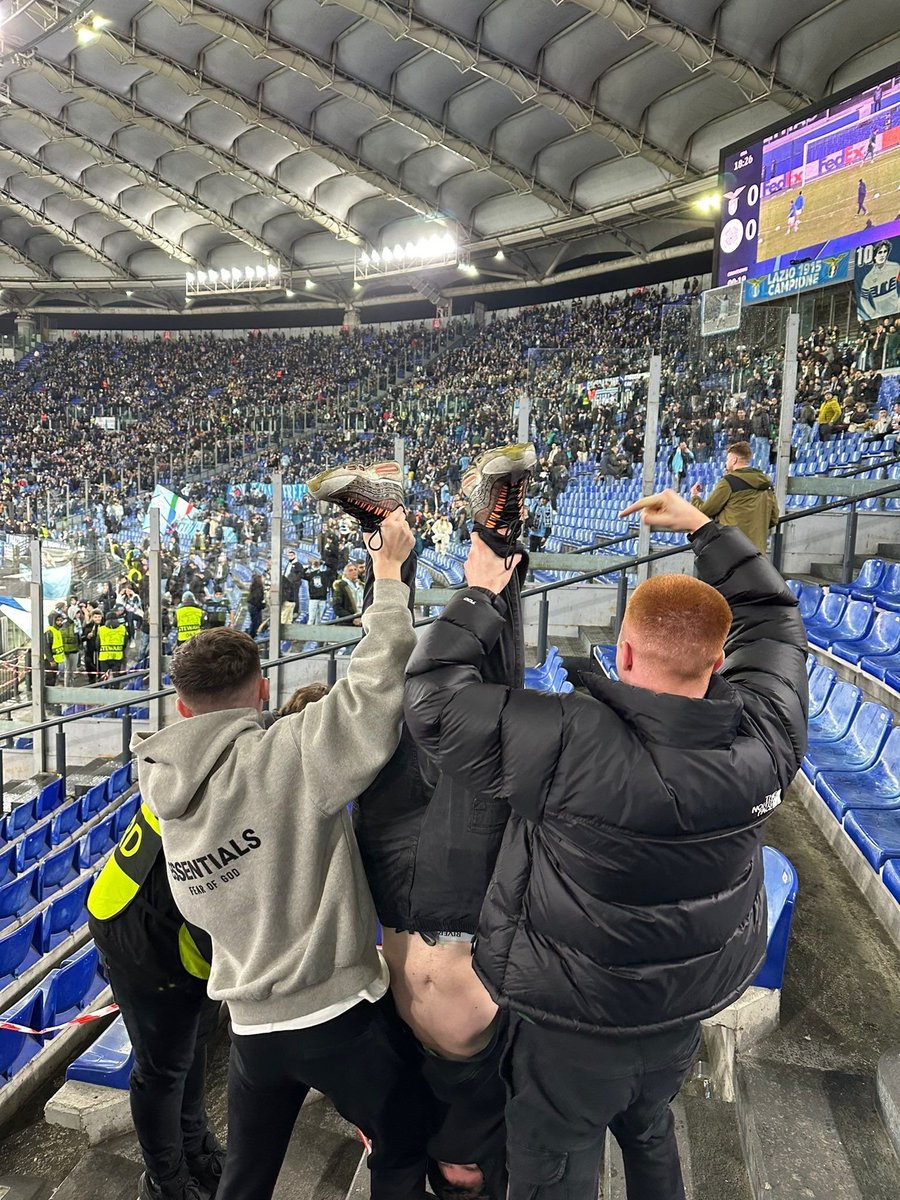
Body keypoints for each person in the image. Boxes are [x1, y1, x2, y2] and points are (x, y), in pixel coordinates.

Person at [402, 487, 808, 1200]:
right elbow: (774, 615)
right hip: (679, 1010)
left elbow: (431, 701)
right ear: (718, 662)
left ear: (620, 651)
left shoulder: (567, 738)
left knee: (556, 1168)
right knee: (650, 1129)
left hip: (573, 1028)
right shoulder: (768, 736)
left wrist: (476, 595)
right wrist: (708, 529)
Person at [141, 504, 434, 1200]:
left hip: (251, 1029)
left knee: (246, 1181)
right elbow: (374, 683)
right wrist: (388, 576)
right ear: (264, 691)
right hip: (335, 1017)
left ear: (181, 708)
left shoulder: (160, 787)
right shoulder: (288, 757)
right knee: (407, 1143)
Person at [353, 444, 537, 1200]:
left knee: (390, 704)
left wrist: (373, 1122)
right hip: (465, 897)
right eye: (470, 1182)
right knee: (484, 711)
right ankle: (497, 534)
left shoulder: (407, 1120)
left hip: (394, 891)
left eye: (450, 1182)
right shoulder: (515, 1092)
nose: (458, 1175)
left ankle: (388, 542)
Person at [88, 801, 223, 1200]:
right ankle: (166, 1183)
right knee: (162, 1070)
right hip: (141, 932)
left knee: (194, 1043)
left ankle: (196, 1150)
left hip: (175, 919)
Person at [690, 441, 778, 554]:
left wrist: (695, 497)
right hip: (757, 551)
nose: (726, 463)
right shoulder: (767, 484)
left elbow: (705, 511)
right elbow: (774, 518)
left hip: (732, 549)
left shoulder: (728, 482)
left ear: (734, 460)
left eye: (727, 459)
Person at [98, 609, 128, 683]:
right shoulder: (122, 628)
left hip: (104, 656)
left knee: (104, 676)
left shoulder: (101, 629)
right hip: (117, 655)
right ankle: (115, 688)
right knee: (116, 676)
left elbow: (97, 644)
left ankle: (105, 688)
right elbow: (125, 642)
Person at [280, 548, 303, 625]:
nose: (289, 557)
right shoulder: (288, 564)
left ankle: (295, 611)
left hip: (294, 584)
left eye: (291, 555)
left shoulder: (298, 565)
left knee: (295, 597)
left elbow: (300, 575)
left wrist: (294, 582)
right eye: (289, 555)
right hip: (287, 584)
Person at [44, 610, 66, 689]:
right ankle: (48, 698)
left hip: (58, 659)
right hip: (50, 661)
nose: (60, 622)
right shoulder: (49, 631)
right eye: (58, 620)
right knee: (50, 679)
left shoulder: (57, 631)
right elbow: (46, 647)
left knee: (54, 678)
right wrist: (51, 660)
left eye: (61, 620)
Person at [246, 572, 265, 639]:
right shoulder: (259, 589)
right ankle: (252, 636)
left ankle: (252, 635)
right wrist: (263, 606)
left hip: (252, 606)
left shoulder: (254, 587)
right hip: (255, 607)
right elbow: (257, 600)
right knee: (256, 622)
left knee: (255, 622)